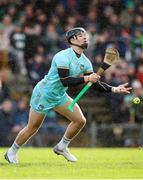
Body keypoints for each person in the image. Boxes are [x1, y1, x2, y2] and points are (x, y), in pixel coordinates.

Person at [4, 27, 132, 164]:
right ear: (72, 39)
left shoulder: (85, 62)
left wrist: (114, 89)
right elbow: (65, 80)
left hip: (59, 95)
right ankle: (11, 152)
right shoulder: (62, 56)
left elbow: (95, 84)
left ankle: (62, 147)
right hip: (44, 93)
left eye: (85, 35)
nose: (85, 37)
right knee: (33, 127)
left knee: (80, 120)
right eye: (81, 35)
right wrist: (87, 79)